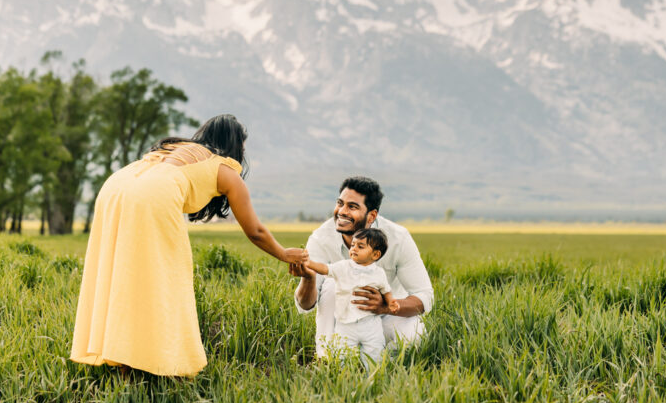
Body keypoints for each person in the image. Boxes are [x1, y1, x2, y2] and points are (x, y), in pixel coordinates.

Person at [70, 114, 308, 377]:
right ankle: (162, 364)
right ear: (237, 145)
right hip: (152, 193)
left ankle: (125, 360)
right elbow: (255, 231)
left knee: (126, 275)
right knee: (169, 280)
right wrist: (283, 253)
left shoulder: (178, 148)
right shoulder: (225, 169)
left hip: (116, 186)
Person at [291, 176, 433, 357]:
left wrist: (385, 306)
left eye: (352, 207)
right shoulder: (321, 239)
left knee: (416, 335)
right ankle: (328, 359)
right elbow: (305, 305)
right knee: (332, 283)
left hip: (386, 318)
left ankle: (379, 367)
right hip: (342, 322)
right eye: (340, 203)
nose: (341, 211)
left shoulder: (399, 238)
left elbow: (425, 296)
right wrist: (309, 278)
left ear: (372, 216)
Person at [304, 228, 400, 363]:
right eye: (353, 245)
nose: (354, 248)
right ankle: (344, 376)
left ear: (375, 255)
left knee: (374, 353)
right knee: (342, 354)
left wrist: (390, 302)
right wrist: (309, 263)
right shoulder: (343, 267)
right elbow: (326, 268)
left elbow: (386, 290)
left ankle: (372, 376)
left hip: (370, 324)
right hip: (345, 323)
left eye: (360, 246)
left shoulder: (379, 273)